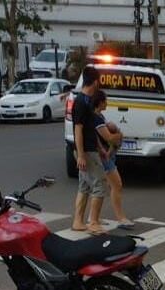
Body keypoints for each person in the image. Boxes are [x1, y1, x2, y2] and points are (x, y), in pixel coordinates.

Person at [71, 67, 108, 235]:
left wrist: (100, 147)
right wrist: (81, 154)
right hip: (85, 151)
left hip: (90, 149)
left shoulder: (87, 100)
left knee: (84, 185)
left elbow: (90, 128)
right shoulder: (80, 102)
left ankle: (78, 221)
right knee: (99, 183)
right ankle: (93, 222)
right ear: (95, 81)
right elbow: (78, 130)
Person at [93, 90, 134, 229]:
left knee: (103, 186)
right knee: (116, 185)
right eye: (105, 100)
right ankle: (120, 218)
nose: (107, 102)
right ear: (100, 102)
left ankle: (95, 217)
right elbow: (107, 138)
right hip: (103, 157)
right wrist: (119, 134)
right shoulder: (97, 119)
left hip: (106, 155)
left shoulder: (99, 116)